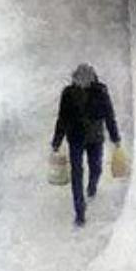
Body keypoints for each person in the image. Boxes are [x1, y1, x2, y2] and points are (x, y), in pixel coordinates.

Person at [51, 63, 121, 226]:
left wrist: (115, 137)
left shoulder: (101, 92)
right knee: (76, 173)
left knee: (96, 167)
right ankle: (79, 211)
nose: (81, 83)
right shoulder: (68, 94)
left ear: (91, 79)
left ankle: (92, 186)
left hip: (95, 138)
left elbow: (109, 116)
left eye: (84, 80)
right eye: (78, 80)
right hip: (75, 138)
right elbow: (62, 118)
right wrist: (57, 140)